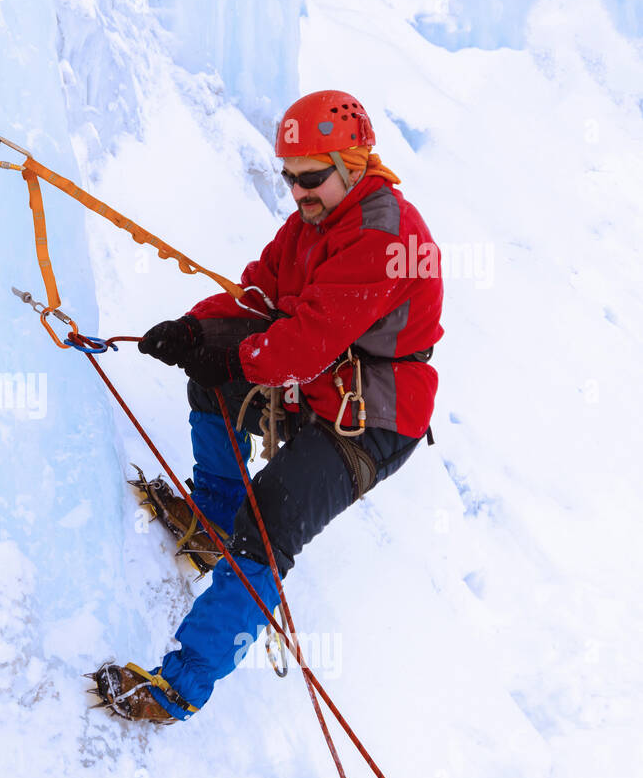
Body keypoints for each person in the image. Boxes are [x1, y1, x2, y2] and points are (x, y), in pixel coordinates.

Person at [94, 90, 443, 723]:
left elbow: (308, 338)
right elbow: (260, 294)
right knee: (213, 382)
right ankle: (212, 522)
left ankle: (181, 686)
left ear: (355, 162)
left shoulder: (386, 234)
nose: (298, 192)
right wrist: (195, 331)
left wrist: (233, 358)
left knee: (272, 520)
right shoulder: (314, 222)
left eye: (311, 177)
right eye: (289, 177)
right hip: (318, 389)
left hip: (373, 418)